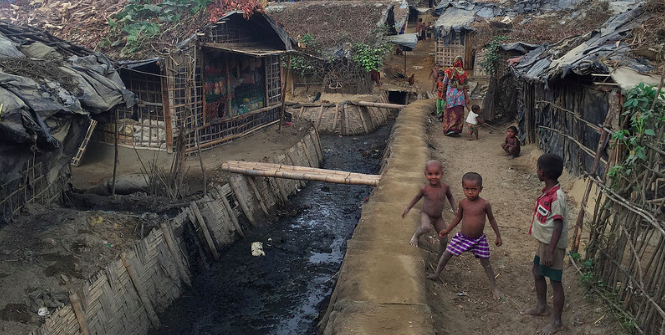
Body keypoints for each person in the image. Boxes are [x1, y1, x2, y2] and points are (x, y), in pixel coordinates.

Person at [426, 172, 504, 300]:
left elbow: (492, 219)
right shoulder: (463, 203)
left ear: (481, 189)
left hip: (479, 240)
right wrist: (447, 230)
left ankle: (494, 287)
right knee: (447, 254)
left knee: (486, 263)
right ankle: (436, 274)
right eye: (466, 189)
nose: (470, 192)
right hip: (462, 237)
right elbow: (458, 217)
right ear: (463, 188)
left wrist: (498, 236)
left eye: (474, 189)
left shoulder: (484, 204)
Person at [521, 153, 568, 335]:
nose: (537, 170)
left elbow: (558, 225)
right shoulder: (548, 193)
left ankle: (557, 322)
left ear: (543, 172)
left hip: (552, 247)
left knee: (555, 281)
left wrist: (550, 251)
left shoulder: (557, 197)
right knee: (537, 272)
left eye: (538, 168)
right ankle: (542, 307)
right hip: (545, 243)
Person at [402, 160, 457, 264]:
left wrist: (454, 209)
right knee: (426, 227)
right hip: (425, 214)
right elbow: (417, 197)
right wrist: (408, 208)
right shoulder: (425, 189)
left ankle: (439, 258)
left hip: (438, 217)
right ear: (425, 174)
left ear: (442, 174)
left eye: (436, 174)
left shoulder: (445, 187)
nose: (433, 177)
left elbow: (450, 197)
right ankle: (416, 236)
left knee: (444, 239)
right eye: (430, 174)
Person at [441, 56, 470, 136]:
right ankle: (456, 130)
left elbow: (444, 83)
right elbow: (464, 87)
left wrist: (443, 92)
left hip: (450, 94)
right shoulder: (463, 73)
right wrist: (466, 98)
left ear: (454, 62)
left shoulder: (449, 71)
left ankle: (449, 129)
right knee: (458, 112)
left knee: (450, 111)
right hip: (460, 96)